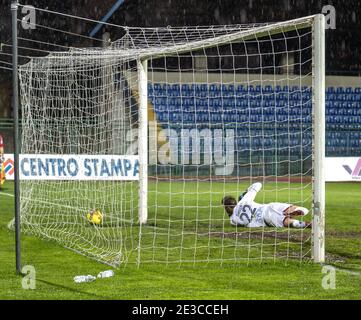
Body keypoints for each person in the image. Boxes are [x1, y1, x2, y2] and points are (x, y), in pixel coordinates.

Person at [222, 182, 311, 229]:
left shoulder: (232, 220)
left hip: (264, 219)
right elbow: (258, 184)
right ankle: (296, 210)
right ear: (235, 202)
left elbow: (243, 223)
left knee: (286, 222)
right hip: (269, 207)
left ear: (226, 208)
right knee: (298, 209)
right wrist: (246, 192)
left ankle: (302, 224)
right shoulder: (245, 199)